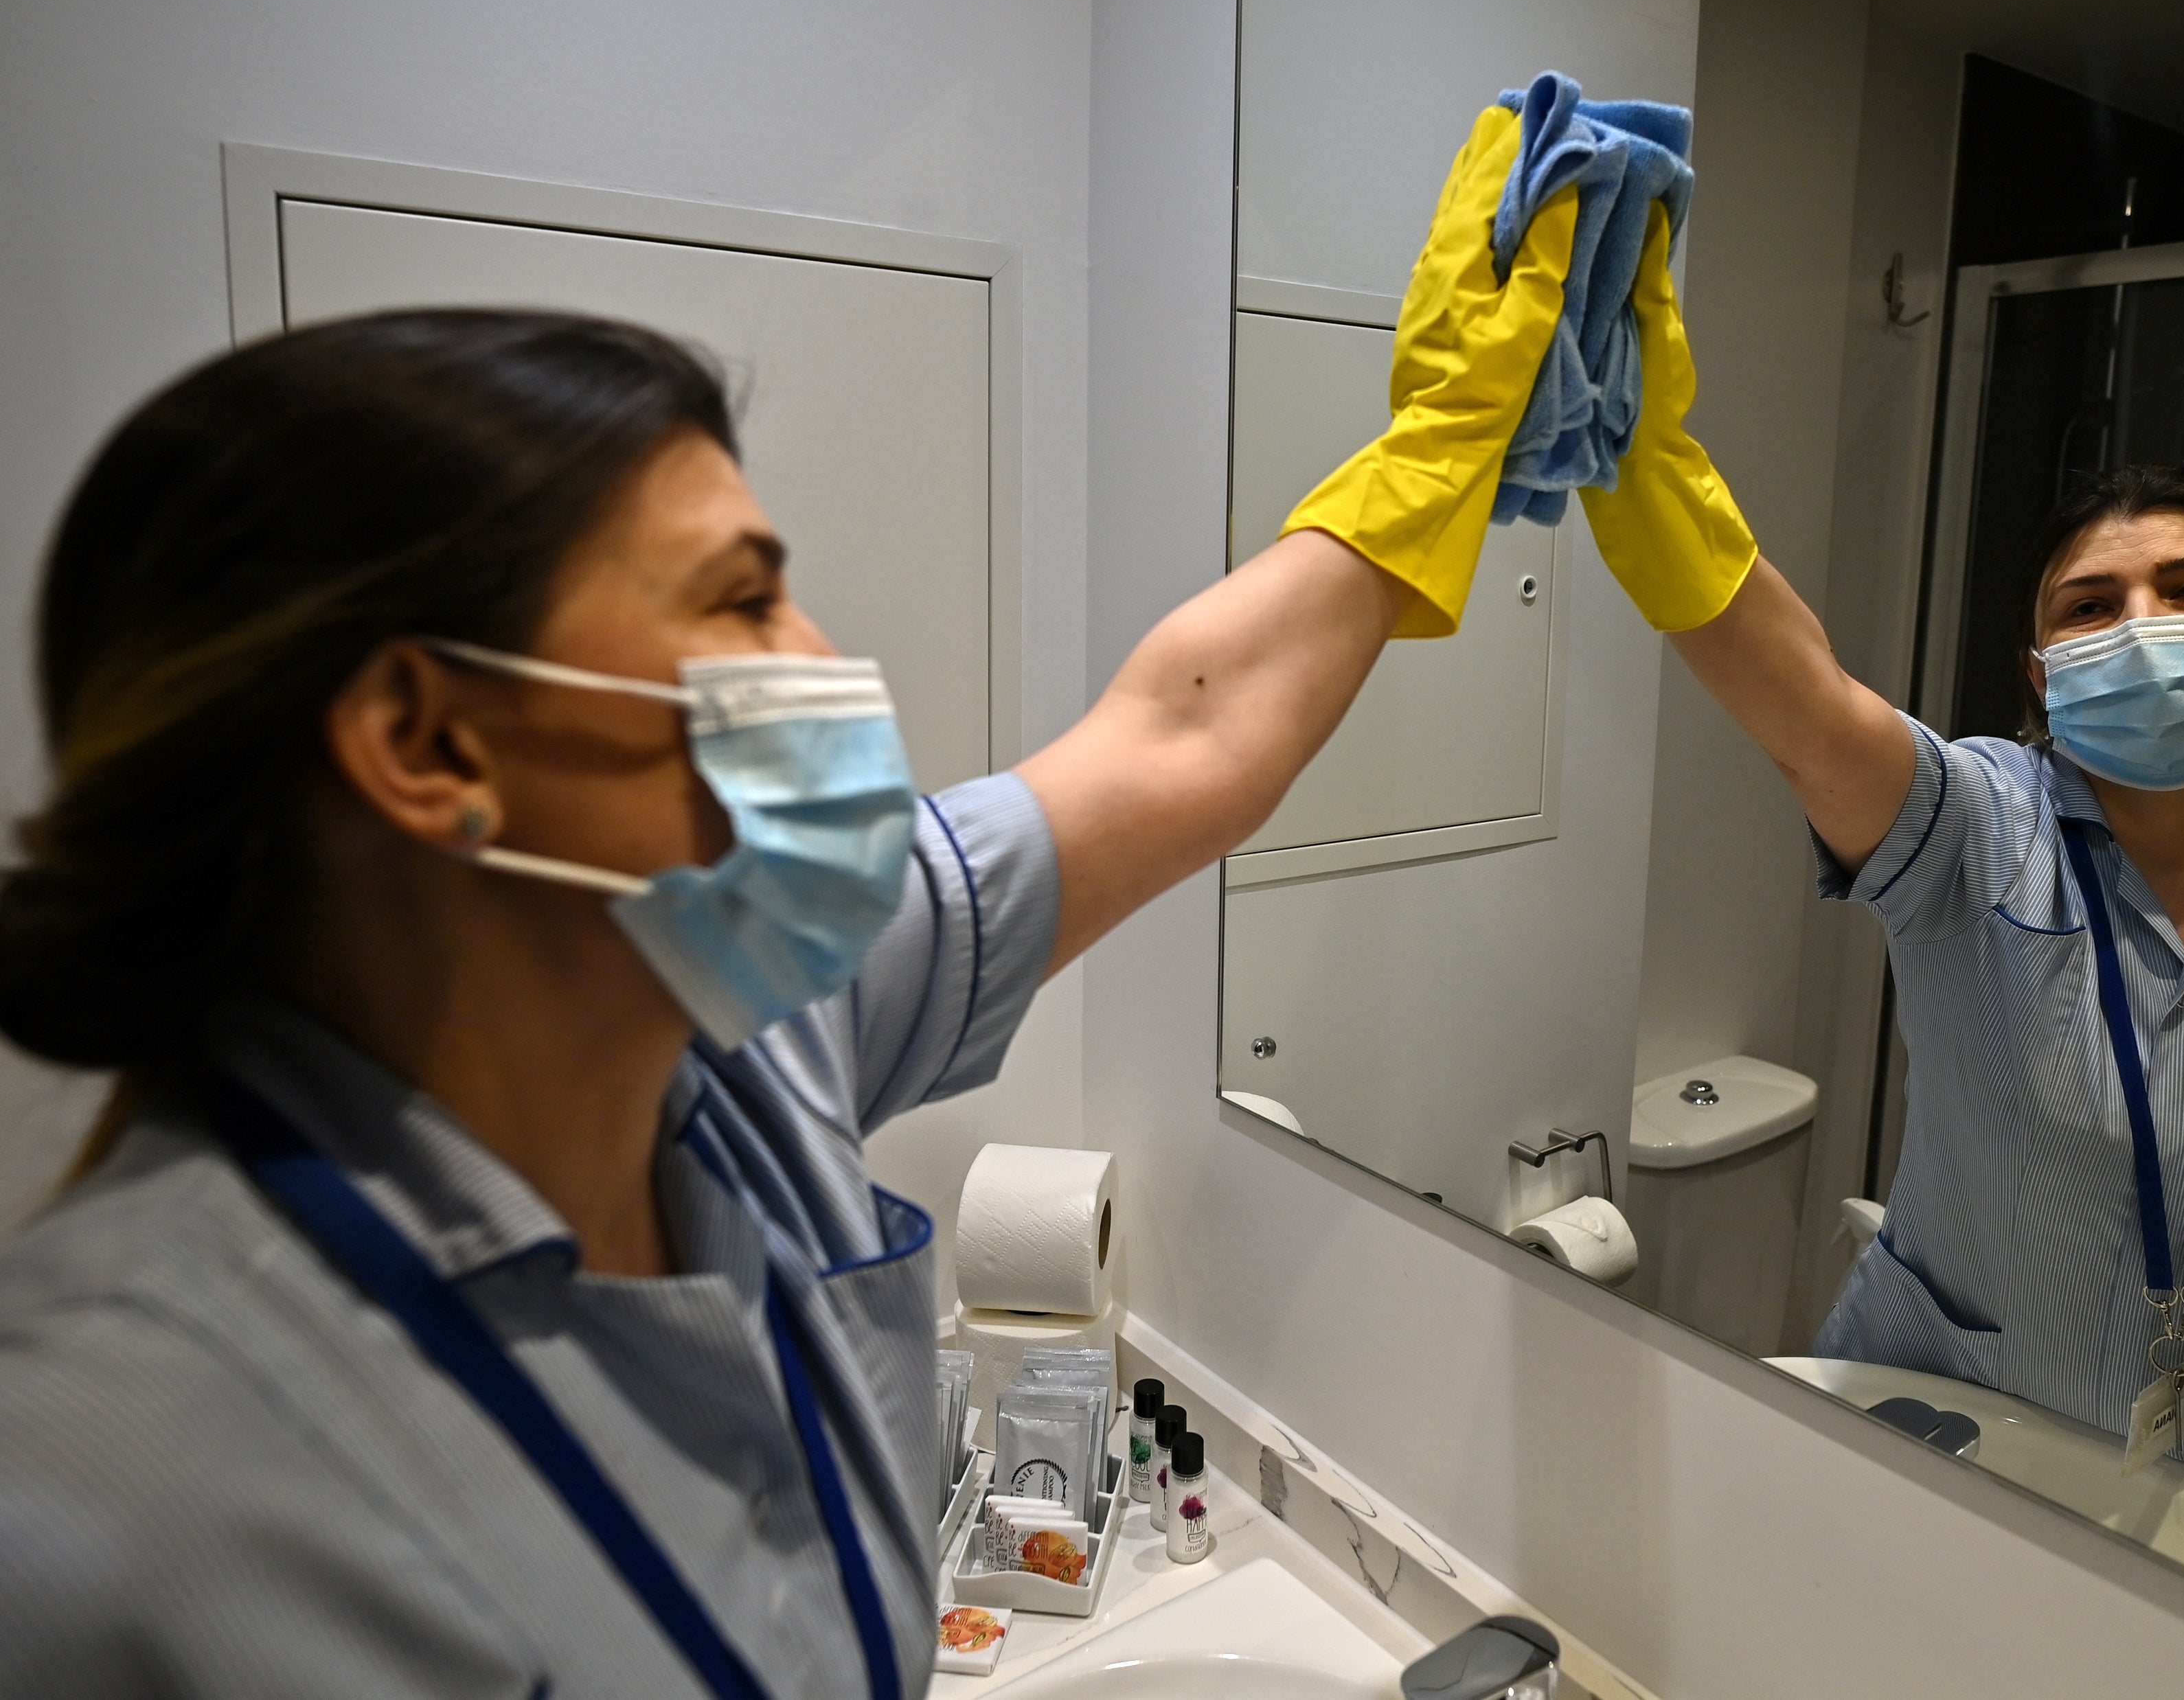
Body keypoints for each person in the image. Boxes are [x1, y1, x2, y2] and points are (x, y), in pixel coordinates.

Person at [0, 113, 1577, 1700]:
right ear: (428, 741)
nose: (820, 650)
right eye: (743, 595)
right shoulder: (110, 1485)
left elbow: (1186, 737)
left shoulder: (748, 1035)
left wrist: (1440, 441)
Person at [1570, 193, 2184, 1604]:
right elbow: (1800, 700)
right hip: (1961, 1459)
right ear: (2040, 673)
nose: (2142, 624)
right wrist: (1642, 468)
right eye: (2090, 606)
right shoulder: (1978, 819)